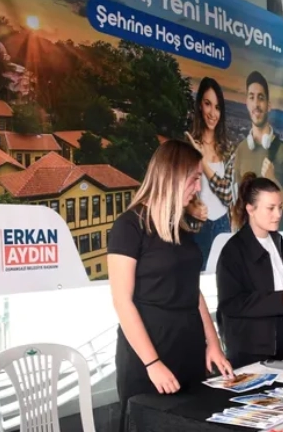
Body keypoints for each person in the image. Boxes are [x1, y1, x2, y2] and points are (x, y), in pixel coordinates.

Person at [107, 140, 234, 432]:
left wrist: (213, 344)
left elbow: (193, 292)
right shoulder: (129, 226)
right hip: (148, 357)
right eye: (194, 178)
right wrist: (152, 363)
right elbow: (122, 301)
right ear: (173, 176)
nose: (198, 187)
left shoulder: (181, 229)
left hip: (188, 352)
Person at [215, 172, 283, 368]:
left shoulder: (280, 243)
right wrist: (277, 300)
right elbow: (231, 304)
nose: (278, 214)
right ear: (251, 209)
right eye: (270, 208)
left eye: (280, 207)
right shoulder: (233, 251)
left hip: (282, 342)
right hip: (249, 350)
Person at [232, 71, 283, 231]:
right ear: (246, 103)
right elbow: (238, 205)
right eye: (251, 97)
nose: (256, 104)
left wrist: (274, 182)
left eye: (261, 98)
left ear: (268, 105)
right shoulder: (241, 150)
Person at [185, 77, 235, 270]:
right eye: (208, 104)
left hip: (222, 224)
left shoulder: (228, 148)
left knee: (225, 279)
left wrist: (202, 160)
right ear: (199, 105)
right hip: (197, 225)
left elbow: (227, 194)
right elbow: (177, 190)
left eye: (217, 107)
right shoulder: (188, 143)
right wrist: (190, 209)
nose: (213, 113)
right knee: (197, 280)